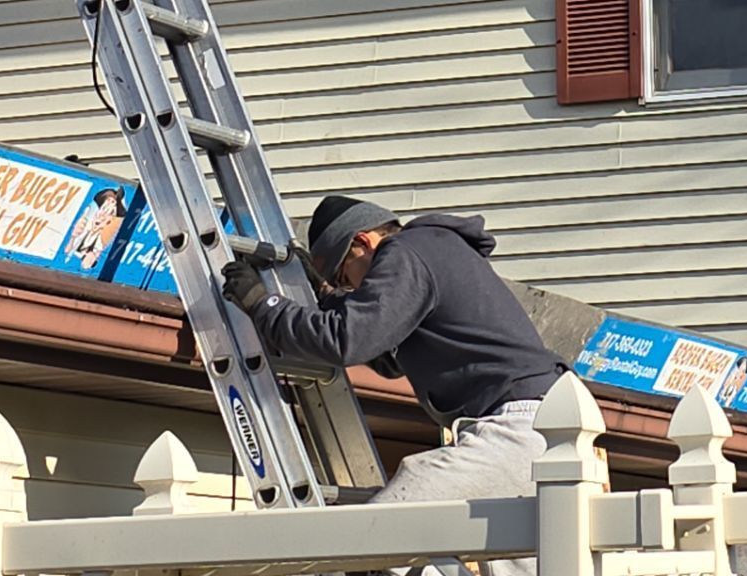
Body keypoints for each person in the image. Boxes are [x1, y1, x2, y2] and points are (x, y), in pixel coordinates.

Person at [223, 194, 564, 576]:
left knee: (380, 536)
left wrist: (261, 305)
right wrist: (325, 295)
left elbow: (349, 339)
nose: (351, 288)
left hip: (512, 429)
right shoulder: (434, 252)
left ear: (364, 242)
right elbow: (388, 356)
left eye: (344, 275)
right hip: (541, 426)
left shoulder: (407, 251)